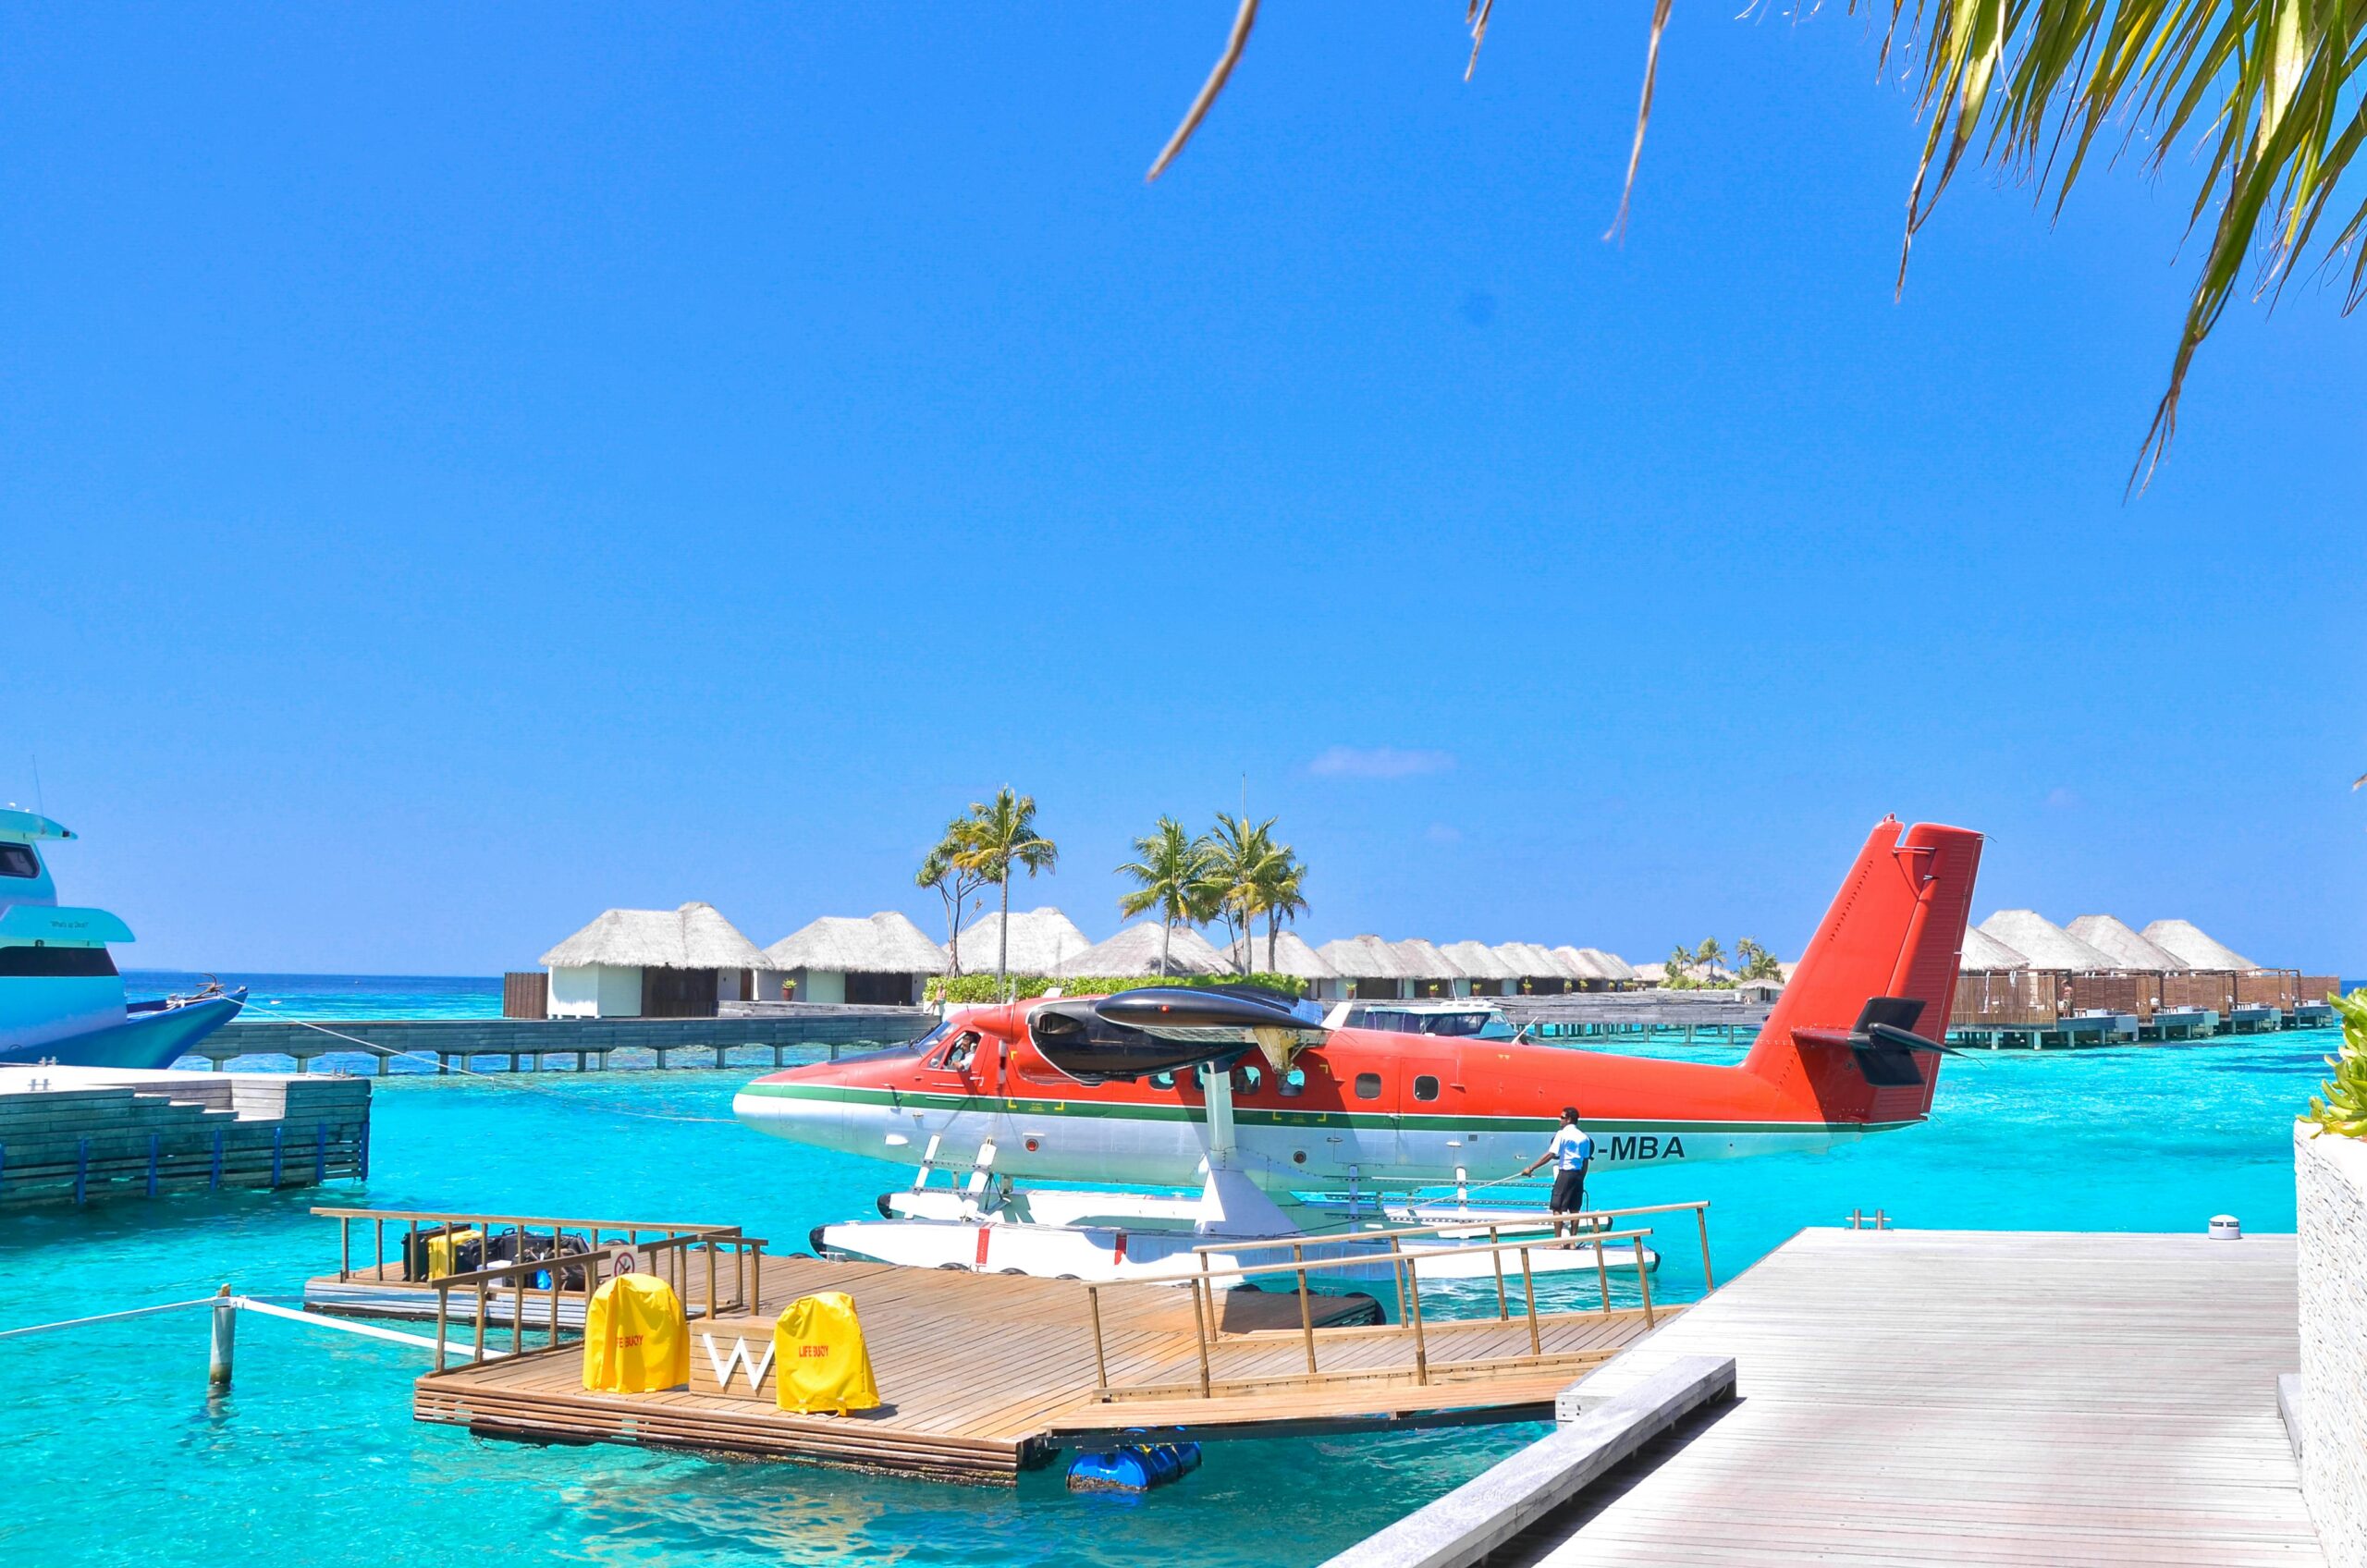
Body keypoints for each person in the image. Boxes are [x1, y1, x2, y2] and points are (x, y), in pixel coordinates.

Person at [1518, 1106, 1594, 1234]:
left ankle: (1557, 1241)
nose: (1560, 1120)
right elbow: (1585, 1161)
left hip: (1565, 1173)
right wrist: (1581, 1178)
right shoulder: (1584, 1137)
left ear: (1569, 1120)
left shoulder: (1562, 1134)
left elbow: (1550, 1154)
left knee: (1557, 1207)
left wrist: (1531, 1168)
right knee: (1574, 1209)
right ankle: (1572, 1242)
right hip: (1578, 1175)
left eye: (1562, 1117)